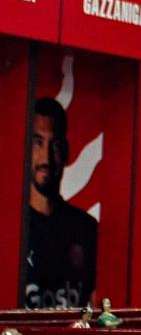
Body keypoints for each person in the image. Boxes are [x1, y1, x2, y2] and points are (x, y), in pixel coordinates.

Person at [24, 97, 97, 311]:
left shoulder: (87, 229)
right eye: (37, 143)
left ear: (65, 152)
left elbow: (103, 308)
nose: (46, 157)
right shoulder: (10, 228)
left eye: (54, 145)